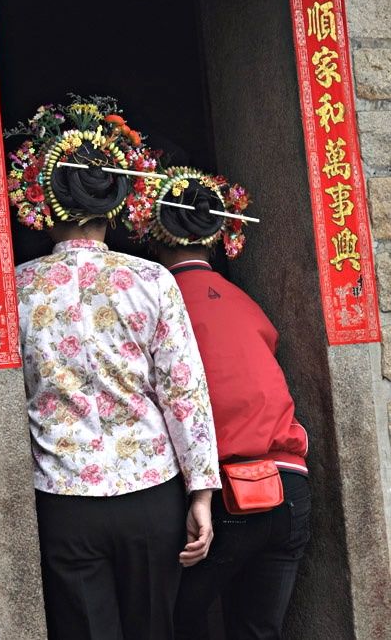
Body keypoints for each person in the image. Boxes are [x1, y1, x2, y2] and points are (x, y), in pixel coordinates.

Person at [6, 99, 221, 640]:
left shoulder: (15, 289)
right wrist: (202, 492)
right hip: (150, 493)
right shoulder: (152, 280)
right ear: (115, 203)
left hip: (64, 497)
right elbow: (184, 392)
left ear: (43, 205)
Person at [130, 164, 311, 640]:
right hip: (290, 487)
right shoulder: (245, 301)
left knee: (176, 621)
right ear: (214, 236)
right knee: (259, 630)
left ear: (151, 236)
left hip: (226, 493)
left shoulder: (157, 303)